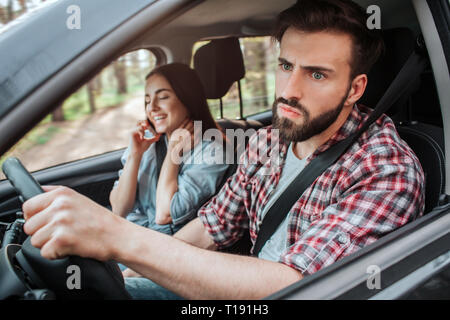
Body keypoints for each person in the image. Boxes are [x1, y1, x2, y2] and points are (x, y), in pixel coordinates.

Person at [22, 0, 424, 300]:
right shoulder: (269, 140)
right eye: (285, 67)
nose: (289, 91)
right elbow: (211, 228)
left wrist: (120, 238)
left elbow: (294, 286)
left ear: (355, 89)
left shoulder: (385, 169)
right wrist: (126, 269)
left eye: (317, 74)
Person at [109, 63, 231, 237]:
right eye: (147, 100)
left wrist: (174, 151)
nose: (152, 107)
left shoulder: (212, 152)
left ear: (188, 99)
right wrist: (135, 156)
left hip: (164, 248)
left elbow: (164, 215)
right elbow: (119, 209)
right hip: (129, 238)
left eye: (163, 97)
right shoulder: (147, 143)